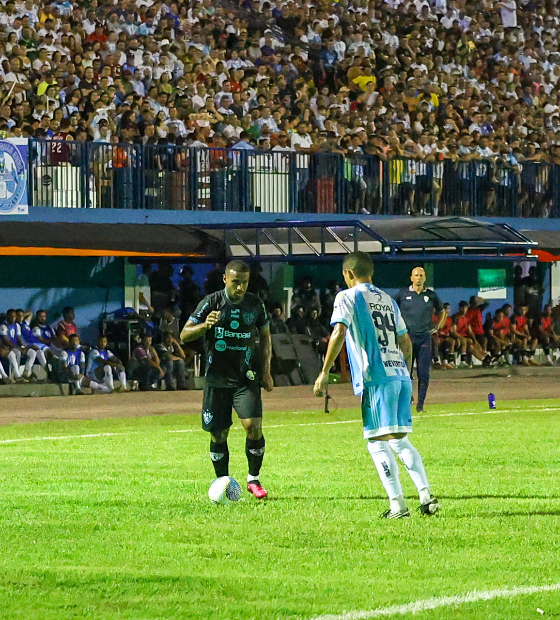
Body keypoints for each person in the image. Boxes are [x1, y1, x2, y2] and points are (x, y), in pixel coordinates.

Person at [313, 251, 439, 519]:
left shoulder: (347, 296)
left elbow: (339, 331)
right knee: (400, 439)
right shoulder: (388, 300)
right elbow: (405, 342)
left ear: (348, 274)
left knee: (376, 442)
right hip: (399, 375)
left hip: (376, 378)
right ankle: (427, 496)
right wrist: (403, 371)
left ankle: (398, 506)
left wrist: (324, 372)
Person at [180, 260, 273, 499]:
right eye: (235, 283)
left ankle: (253, 479)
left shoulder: (255, 305)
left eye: (244, 283)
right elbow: (184, 334)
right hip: (217, 380)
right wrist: (204, 325)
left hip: (246, 377)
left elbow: (265, 338)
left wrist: (265, 370)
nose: (240, 288)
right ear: (225, 280)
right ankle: (222, 481)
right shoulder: (211, 302)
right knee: (218, 434)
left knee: (253, 426)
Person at [393, 267, 446, 412]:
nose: (419, 278)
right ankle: (407, 398)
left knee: (423, 373)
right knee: (405, 372)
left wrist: (437, 327)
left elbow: (442, 312)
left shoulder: (431, 295)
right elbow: (391, 309)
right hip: (406, 339)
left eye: (421, 275)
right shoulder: (402, 294)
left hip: (424, 338)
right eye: (416, 275)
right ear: (411, 278)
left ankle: (420, 405)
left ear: (425, 278)